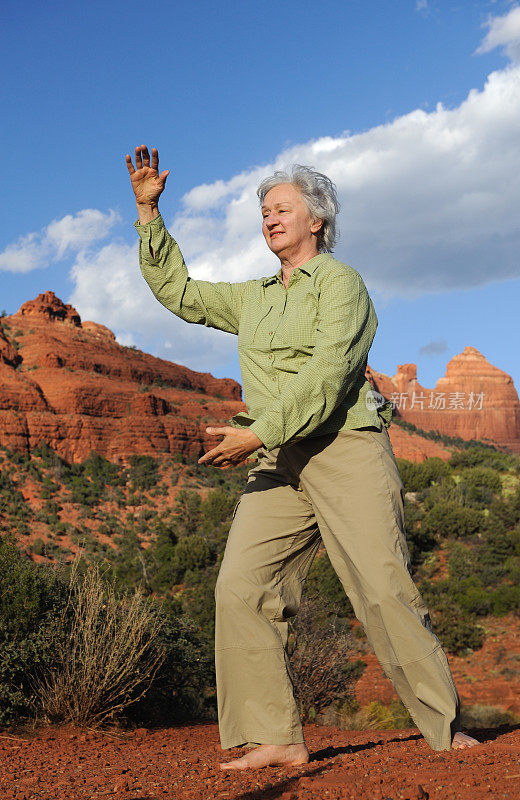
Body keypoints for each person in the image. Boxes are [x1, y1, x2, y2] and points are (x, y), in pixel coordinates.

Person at [125, 145, 480, 770]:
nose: (268, 219)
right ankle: (276, 736)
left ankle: (446, 732)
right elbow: (177, 292)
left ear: (317, 219)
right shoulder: (253, 297)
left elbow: (331, 373)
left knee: (382, 587)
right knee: (240, 587)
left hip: (343, 446)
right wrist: (149, 215)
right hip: (278, 458)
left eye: (280, 208)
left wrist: (257, 433)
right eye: (263, 212)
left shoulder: (343, 285)